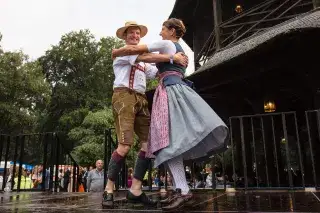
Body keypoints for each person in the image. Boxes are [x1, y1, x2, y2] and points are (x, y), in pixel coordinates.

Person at [111, 18, 229, 211]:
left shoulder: (166, 44)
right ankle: (180, 188)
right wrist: (167, 61)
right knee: (170, 143)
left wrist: (116, 52)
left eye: (163, 29)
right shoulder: (180, 50)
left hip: (170, 93)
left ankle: (182, 190)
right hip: (175, 89)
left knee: (169, 142)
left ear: (172, 31)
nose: (160, 32)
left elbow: (137, 51)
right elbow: (154, 65)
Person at [102, 21, 188, 208]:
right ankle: (108, 189)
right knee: (124, 146)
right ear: (125, 37)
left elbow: (155, 67)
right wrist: (173, 57)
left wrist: (175, 63)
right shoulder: (126, 52)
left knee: (148, 145)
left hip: (141, 99)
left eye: (137, 33)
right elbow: (147, 57)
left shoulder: (139, 56)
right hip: (124, 96)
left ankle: (136, 189)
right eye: (131, 33)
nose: (135, 36)